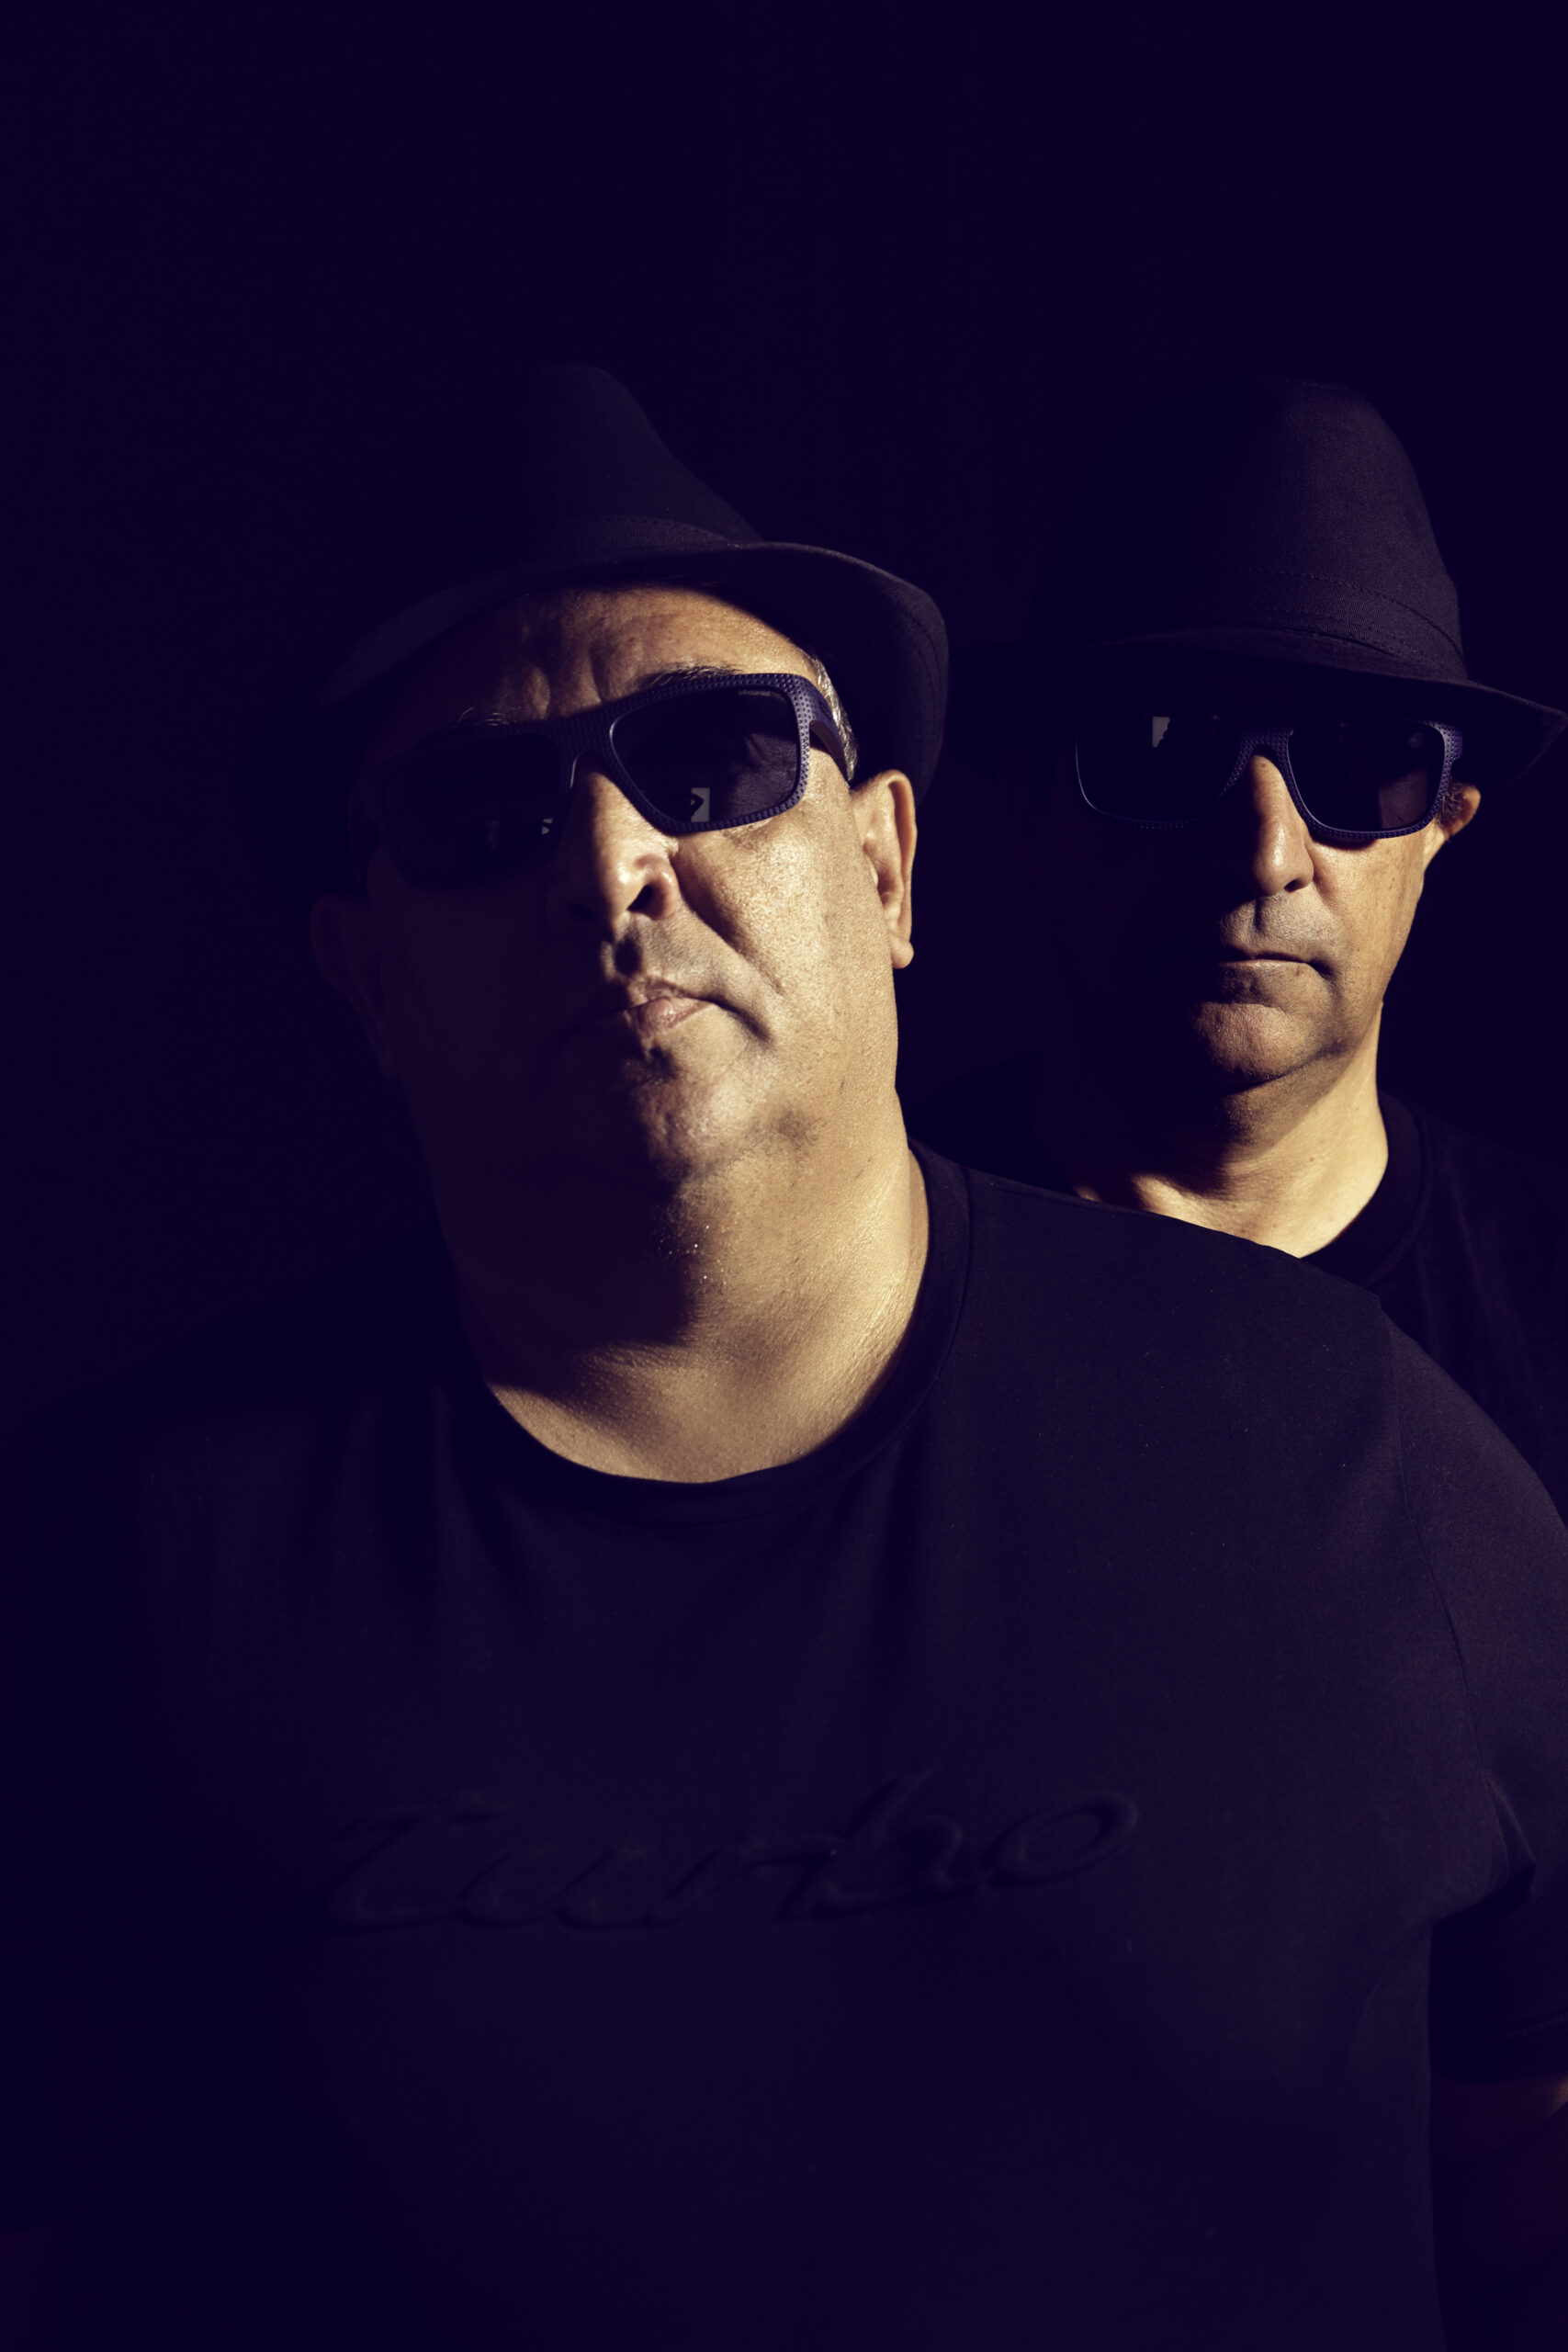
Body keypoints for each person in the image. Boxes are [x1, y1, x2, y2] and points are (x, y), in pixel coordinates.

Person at [6, 367, 1568, 2352]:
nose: (608, 863)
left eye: (711, 754)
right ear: (365, 972)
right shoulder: (107, 1579)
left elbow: (1524, 2158)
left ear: (889, 865)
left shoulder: (1348, 1451)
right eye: (481, 813)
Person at [910, 378, 1568, 1528]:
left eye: (1359, 763)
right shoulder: (850, 1276)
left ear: (1444, 823)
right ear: (1031, 805)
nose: (1265, 853)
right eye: (1161, 748)